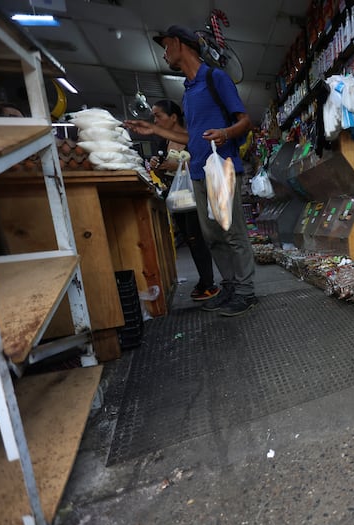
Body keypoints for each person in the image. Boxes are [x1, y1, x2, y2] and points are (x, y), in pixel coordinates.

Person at [126, 25, 257, 317]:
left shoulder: (215, 78)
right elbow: (193, 138)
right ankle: (232, 287)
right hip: (198, 170)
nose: (164, 53)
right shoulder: (187, 91)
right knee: (212, 236)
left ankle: (247, 292)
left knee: (232, 232)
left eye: (166, 46)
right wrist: (153, 129)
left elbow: (245, 121)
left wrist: (226, 132)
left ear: (178, 43)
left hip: (220, 169)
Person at [148, 99, 220, 302]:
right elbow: (162, 168)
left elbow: (203, 162)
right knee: (190, 238)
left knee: (197, 238)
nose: (155, 120)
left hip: (195, 193)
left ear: (173, 117)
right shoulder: (163, 141)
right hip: (176, 196)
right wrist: (156, 164)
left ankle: (209, 283)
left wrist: (178, 164)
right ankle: (205, 280)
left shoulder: (192, 137)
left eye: (158, 115)